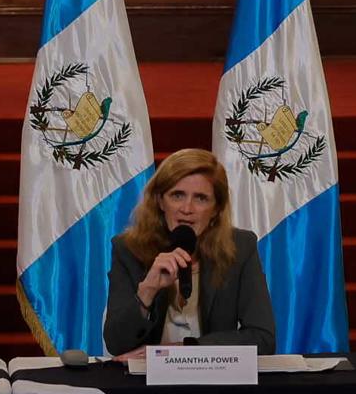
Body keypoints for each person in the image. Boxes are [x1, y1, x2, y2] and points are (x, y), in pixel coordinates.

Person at [103, 148, 276, 356]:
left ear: (216, 209)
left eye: (201, 198)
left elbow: (263, 339)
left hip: (215, 382)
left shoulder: (240, 247)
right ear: (160, 201)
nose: (187, 208)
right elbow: (116, 344)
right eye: (177, 195)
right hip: (147, 385)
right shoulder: (128, 249)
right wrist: (147, 290)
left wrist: (186, 350)